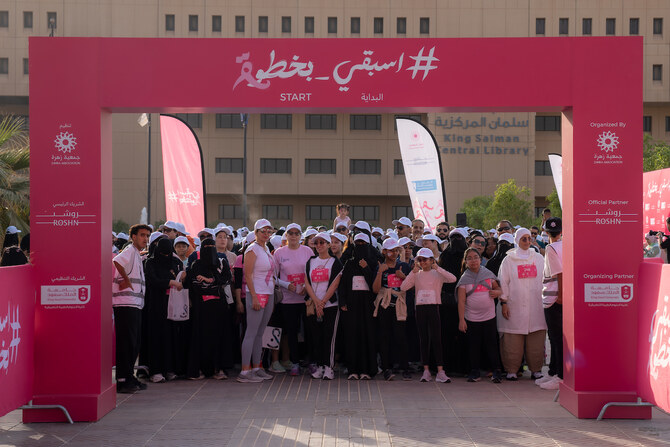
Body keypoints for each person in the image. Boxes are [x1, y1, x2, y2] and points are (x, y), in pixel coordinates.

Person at [400, 247, 457, 383]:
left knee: (437, 339)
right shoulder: (416, 274)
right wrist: (412, 273)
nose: (422, 262)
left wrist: (437, 268)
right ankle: (426, 370)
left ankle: (440, 371)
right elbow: (403, 287)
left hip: (434, 307)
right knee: (423, 339)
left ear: (431, 260)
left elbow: (453, 279)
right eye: (419, 259)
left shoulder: (437, 273)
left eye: (425, 259)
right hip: (420, 308)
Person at [497, 228, 547, 381]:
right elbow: (503, 282)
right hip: (514, 306)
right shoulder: (508, 260)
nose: (526, 242)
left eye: (528, 238)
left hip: (536, 307)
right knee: (512, 340)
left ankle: (536, 370)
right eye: (523, 239)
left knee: (536, 340)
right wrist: (504, 302)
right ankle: (512, 370)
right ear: (517, 240)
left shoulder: (538, 258)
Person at [184, 237, 231, 380]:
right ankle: (199, 370)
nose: (209, 249)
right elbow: (191, 282)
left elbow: (227, 278)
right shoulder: (195, 264)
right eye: (206, 246)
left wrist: (211, 280)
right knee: (201, 337)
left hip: (219, 306)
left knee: (219, 337)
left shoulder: (221, 262)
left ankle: (219, 368)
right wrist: (203, 285)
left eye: (212, 246)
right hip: (201, 307)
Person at [112, 224, 151, 393]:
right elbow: (116, 261)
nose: (145, 238)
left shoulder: (136, 253)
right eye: (142, 235)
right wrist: (126, 281)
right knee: (127, 343)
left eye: (147, 235)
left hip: (134, 303)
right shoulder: (129, 251)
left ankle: (129, 376)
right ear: (133, 236)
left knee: (134, 343)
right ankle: (122, 380)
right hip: (125, 303)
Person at [238, 219, 277, 383]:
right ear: (256, 232)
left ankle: (256, 367)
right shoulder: (252, 249)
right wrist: (253, 295)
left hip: (268, 293)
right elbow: (247, 275)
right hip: (257, 294)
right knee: (251, 333)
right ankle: (245, 372)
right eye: (263, 231)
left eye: (269, 231)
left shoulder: (265, 248)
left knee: (260, 333)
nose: (266, 234)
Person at [273, 223, 315, 375]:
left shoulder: (308, 251)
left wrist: (306, 285)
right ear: (286, 235)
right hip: (287, 300)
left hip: (305, 299)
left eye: (296, 233)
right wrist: (285, 284)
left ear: (300, 236)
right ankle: (295, 363)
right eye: (290, 232)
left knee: (309, 331)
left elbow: (313, 272)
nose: (293, 235)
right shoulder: (279, 253)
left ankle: (311, 361)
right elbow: (273, 277)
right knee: (291, 332)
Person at [456, 248, 503, 383]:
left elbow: (499, 289)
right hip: (471, 317)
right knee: (474, 345)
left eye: (475, 257)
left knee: (491, 344)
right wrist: (461, 320)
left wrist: (497, 293)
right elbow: (461, 301)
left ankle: (496, 371)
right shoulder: (464, 279)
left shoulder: (488, 274)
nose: (473, 260)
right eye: (469, 258)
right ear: (465, 261)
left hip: (489, 316)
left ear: (480, 258)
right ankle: (474, 371)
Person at [303, 232, 343, 380]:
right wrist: (317, 301)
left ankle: (329, 367)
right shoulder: (311, 261)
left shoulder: (335, 262)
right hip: (314, 305)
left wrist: (323, 302)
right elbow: (307, 282)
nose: (319, 245)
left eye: (322, 242)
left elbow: (335, 283)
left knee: (329, 337)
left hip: (331, 305)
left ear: (328, 244)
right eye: (316, 243)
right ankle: (319, 366)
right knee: (316, 337)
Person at [338, 232, 378, 380]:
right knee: (352, 336)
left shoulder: (373, 262)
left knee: (367, 336)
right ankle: (353, 370)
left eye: (363, 244)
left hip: (368, 306)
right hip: (352, 306)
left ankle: (367, 369)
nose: (360, 246)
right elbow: (342, 285)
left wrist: (366, 268)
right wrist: (342, 302)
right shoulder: (349, 263)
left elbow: (375, 285)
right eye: (358, 244)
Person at [144, 238, 184, 383]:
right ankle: (156, 370)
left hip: (172, 304)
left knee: (171, 335)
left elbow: (181, 278)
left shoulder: (176, 262)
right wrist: (169, 282)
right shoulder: (151, 262)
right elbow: (152, 280)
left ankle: (169, 368)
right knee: (157, 337)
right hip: (156, 305)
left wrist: (181, 277)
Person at [373, 238, 411, 380]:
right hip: (384, 305)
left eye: (396, 250)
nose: (394, 253)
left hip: (399, 305)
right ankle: (386, 368)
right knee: (384, 336)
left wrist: (404, 277)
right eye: (390, 251)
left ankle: (405, 367)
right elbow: (375, 290)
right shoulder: (380, 267)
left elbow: (410, 286)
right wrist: (379, 273)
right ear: (384, 252)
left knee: (401, 336)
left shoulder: (404, 266)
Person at [537, 217, 564, 390]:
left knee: (556, 338)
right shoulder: (565, 245)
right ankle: (554, 371)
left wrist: (561, 295)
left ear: (546, 232)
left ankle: (560, 375)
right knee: (555, 337)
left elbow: (559, 273)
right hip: (557, 296)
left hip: (554, 297)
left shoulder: (550, 248)